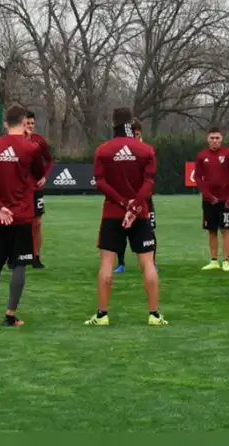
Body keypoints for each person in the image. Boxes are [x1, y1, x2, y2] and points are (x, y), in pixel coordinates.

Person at [86, 108, 165, 326]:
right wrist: (135, 206)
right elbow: (149, 183)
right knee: (147, 263)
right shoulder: (146, 150)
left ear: (113, 123)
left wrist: (123, 203)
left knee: (106, 263)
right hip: (140, 213)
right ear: (131, 123)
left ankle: (102, 315)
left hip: (113, 213)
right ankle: (154, 315)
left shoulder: (103, 150)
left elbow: (100, 182)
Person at [0, 104, 45, 326]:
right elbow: (39, 174)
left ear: (5, 123)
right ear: (24, 122)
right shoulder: (30, 148)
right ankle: (10, 315)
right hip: (22, 215)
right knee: (19, 265)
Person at [115, 120, 158, 274]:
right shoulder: (122, 152)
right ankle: (121, 263)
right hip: (126, 199)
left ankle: (152, 262)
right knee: (122, 230)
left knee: (150, 229)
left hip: (145, 200)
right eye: (132, 133)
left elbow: (150, 177)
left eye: (137, 133)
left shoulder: (147, 151)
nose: (135, 136)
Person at [194, 127, 229, 271]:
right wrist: (207, 195)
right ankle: (214, 260)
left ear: (221, 139)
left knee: (225, 229)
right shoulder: (202, 155)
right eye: (212, 138)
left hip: (224, 199)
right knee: (211, 230)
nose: (214, 141)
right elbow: (197, 177)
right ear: (207, 139)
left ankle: (226, 261)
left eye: (217, 138)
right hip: (208, 200)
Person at [23, 111, 53, 268]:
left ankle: (36, 256)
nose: (30, 127)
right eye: (27, 124)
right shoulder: (16, 141)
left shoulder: (39, 141)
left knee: (37, 223)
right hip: (20, 189)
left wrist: (44, 177)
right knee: (19, 223)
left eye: (32, 124)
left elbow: (49, 160)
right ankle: (15, 255)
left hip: (35, 188)